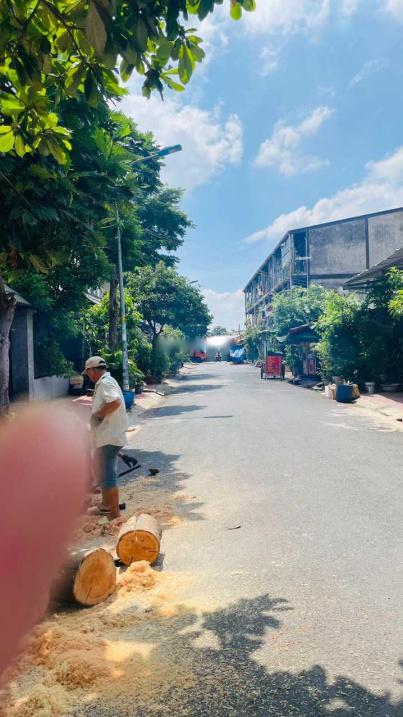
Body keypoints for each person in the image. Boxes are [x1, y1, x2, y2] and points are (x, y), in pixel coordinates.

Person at [83, 356, 128, 519]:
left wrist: (99, 415)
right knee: (100, 468)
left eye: (88, 372)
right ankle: (105, 504)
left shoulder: (105, 383)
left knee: (107, 473)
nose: (88, 376)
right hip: (107, 435)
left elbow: (115, 402)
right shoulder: (105, 382)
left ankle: (114, 513)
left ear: (92, 370)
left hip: (109, 436)